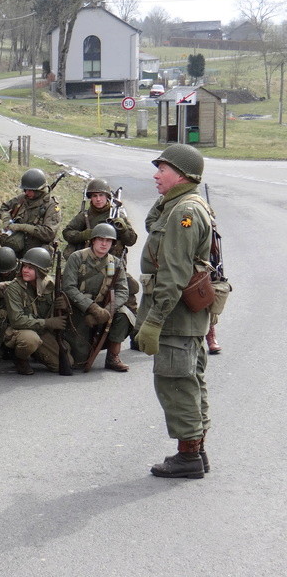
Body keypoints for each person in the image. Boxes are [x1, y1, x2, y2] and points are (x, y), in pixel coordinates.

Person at [135, 144, 213, 479]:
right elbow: (154, 226)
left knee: (176, 384)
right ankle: (197, 449)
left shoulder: (185, 213)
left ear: (181, 175)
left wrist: (153, 321)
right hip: (183, 318)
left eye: (162, 169)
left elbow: (173, 275)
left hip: (175, 318)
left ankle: (188, 456)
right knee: (189, 381)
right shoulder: (178, 206)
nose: (156, 175)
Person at [62, 224, 134, 372]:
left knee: (124, 315)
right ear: (93, 240)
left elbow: (122, 291)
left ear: (112, 244)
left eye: (108, 241)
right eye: (100, 239)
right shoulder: (77, 257)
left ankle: (113, 356)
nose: (103, 244)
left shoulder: (116, 263)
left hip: (104, 308)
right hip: (79, 309)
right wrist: (92, 308)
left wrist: (106, 311)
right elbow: (68, 287)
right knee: (78, 361)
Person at [4, 247, 70, 375]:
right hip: (20, 330)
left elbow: (59, 314)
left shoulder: (51, 286)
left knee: (64, 364)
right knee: (30, 340)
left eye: (30, 268)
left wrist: (65, 306)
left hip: (41, 331)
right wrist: (47, 323)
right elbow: (17, 320)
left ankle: (35, 353)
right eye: (24, 266)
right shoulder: (14, 288)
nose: (25, 270)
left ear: (40, 271)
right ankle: (20, 358)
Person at [62, 178, 137, 259]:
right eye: (95, 196)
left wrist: (123, 229)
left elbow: (131, 241)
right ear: (91, 198)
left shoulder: (117, 215)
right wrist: (84, 235)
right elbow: (67, 233)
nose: (98, 199)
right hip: (88, 261)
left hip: (113, 262)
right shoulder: (85, 216)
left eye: (101, 195)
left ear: (107, 196)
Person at [0, 168, 62, 258]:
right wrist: (6, 220)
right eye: (25, 190)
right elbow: (4, 208)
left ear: (39, 190)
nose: (26, 193)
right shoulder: (22, 199)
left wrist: (21, 227)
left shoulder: (51, 206)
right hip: (16, 248)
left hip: (37, 253)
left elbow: (48, 233)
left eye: (30, 190)